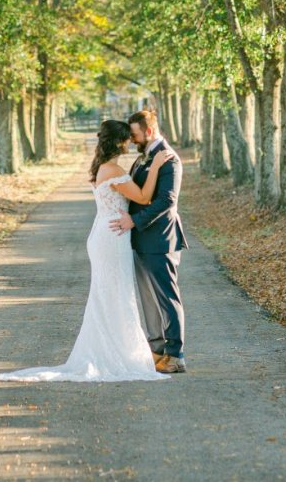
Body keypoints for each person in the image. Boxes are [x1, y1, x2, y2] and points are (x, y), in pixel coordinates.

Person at [0, 119, 172, 382]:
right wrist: (156, 166)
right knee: (116, 295)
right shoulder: (111, 170)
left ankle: (117, 350)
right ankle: (116, 355)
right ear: (119, 141)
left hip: (107, 234)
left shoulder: (103, 167)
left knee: (111, 295)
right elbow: (144, 198)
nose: (131, 142)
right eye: (127, 138)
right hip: (111, 238)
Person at [111, 108, 187, 374]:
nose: (132, 140)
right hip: (140, 239)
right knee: (148, 298)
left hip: (160, 238)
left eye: (135, 134)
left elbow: (167, 201)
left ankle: (176, 355)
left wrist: (135, 220)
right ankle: (156, 349)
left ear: (150, 131)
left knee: (167, 297)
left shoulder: (169, 159)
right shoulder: (143, 158)